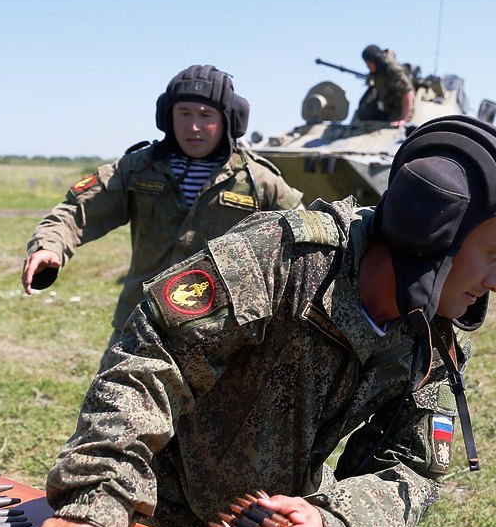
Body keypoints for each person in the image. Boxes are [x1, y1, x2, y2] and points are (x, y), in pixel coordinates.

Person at [6, 115, 496, 527]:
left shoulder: (437, 332)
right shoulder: (281, 260)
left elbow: (410, 466)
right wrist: (93, 508)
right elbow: (151, 361)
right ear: (434, 233)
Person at [21, 64, 303, 346]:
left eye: (206, 116)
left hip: (220, 337)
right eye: (184, 114)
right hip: (140, 327)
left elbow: (307, 235)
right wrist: (49, 246)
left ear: (229, 120)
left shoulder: (258, 181)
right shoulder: (139, 168)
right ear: (167, 116)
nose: (193, 126)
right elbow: (75, 212)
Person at [355, 44, 414, 126]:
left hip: (399, 110)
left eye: (368, 63)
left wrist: (403, 119)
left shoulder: (393, 70)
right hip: (388, 108)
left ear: (375, 60)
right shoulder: (378, 72)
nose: (367, 66)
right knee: (364, 111)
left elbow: (408, 92)